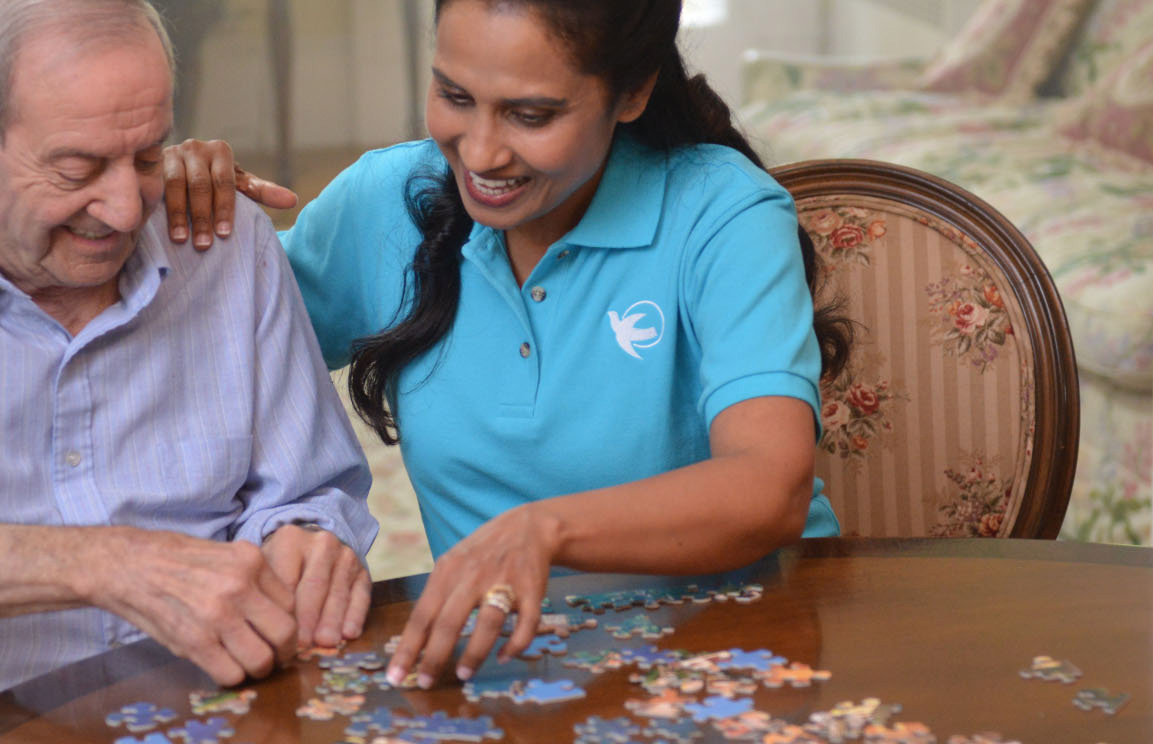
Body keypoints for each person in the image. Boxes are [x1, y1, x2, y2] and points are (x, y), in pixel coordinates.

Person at [164, 0, 852, 688]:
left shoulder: (722, 211)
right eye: (454, 96)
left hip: (748, 650)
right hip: (506, 674)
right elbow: (183, 353)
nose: (482, 152)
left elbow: (770, 484)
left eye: (531, 115)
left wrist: (542, 531)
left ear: (633, 90)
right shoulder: (382, 205)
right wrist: (150, 204)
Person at [0, 1, 375, 739]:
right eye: (77, 169)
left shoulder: (220, 239)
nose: (121, 209)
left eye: (147, 155)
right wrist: (115, 565)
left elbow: (309, 493)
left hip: (217, 716)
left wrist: (306, 542)